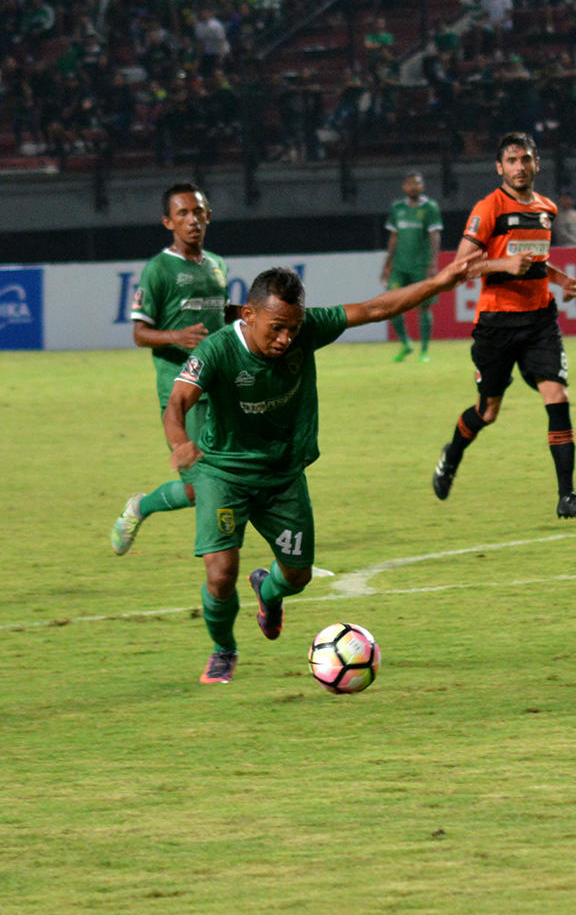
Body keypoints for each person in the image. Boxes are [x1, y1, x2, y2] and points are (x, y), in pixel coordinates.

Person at [166, 261, 471, 683]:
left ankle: (268, 592)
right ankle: (224, 650)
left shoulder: (304, 330)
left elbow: (375, 309)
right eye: (276, 327)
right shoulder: (217, 350)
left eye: (292, 327)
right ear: (249, 314)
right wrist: (181, 442)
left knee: (297, 575)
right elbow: (177, 402)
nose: (285, 338)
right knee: (220, 575)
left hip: (283, 474)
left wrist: (438, 282)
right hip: (224, 473)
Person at [430, 132, 576, 518]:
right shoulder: (489, 208)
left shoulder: (546, 209)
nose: (520, 167)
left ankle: (566, 496)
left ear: (536, 163)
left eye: (526, 159)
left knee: (558, 398)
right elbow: (459, 267)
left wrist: (562, 280)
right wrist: (500, 264)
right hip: (497, 324)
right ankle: (451, 456)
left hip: (540, 320)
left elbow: (534, 260)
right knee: (487, 412)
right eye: (512, 161)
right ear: (500, 167)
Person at [111, 183, 238, 555]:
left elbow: (218, 312)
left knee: (235, 472)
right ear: (168, 221)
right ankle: (140, 507)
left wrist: (250, 314)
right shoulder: (158, 270)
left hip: (220, 386)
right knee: (201, 485)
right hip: (182, 391)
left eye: (198, 212)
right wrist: (175, 336)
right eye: (182, 214)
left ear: (208, 215)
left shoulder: (217, 264)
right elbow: (139, 333)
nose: (192, 220)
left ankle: (231, 543)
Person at [380, 170, 444, 362]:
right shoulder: (397, 208)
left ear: (422, 186)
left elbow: (435, 235)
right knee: (391, 305)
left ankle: (424, 351)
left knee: (423, 308)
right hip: (400, 266)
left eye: (417, 183)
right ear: (404, 187)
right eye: (410, 183)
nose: (413, 186)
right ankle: (406, 344)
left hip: (421, 266)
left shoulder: (430, 207)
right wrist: (387, 264)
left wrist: (433, 263)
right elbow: (393, 237)